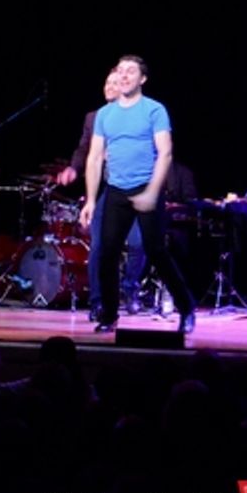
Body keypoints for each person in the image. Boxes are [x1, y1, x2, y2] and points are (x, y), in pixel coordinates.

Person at [78, 55, 196, 333]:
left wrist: (152, 192)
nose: (124, 75)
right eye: (120, 71)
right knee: (107, 252)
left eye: (130, 71)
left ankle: (186, 307)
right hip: (116, 190)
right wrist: (91, 200)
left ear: (142, 78)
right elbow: (94, 158)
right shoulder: (105, 114)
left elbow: (165, 153)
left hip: (146, 187)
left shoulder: (154, 110)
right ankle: (109, 315)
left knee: (155, 251)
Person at [55, 68, 143, 320]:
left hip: (133, 187)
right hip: (105, 189)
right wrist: (74, 168)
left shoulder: (138, 115)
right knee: (99, 246)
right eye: (106, 82)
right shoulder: (94, 118)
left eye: (115, 83)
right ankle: (97, 301)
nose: (109, 87)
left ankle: (130, 288)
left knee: (138, 243)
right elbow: (84, 149)